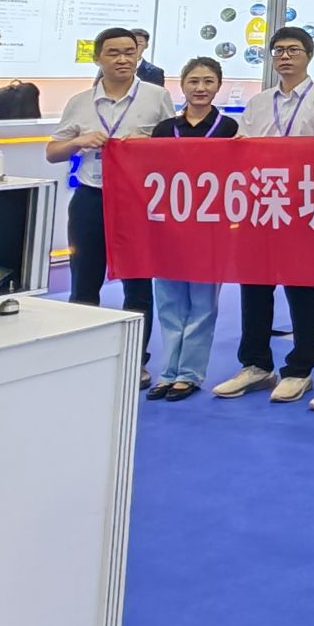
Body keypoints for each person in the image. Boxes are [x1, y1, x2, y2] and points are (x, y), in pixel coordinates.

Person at [49, 27, 174, 388]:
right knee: (84, 282)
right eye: (114, 53)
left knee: (138, 286)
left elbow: (172, 149)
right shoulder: (80, 102)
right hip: (91, 198)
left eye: (129, 52)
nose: (123, 59)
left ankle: (136, 360)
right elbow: (52, 152)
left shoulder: (157, 97)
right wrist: (79, 141)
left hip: (138, 202)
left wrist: (146, 146)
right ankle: (82, 357)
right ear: (98, 58)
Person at [215, 27, 314, 402]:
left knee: (300, 287)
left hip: (303, 205)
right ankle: (256, 365)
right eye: (278, 50)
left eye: (293, 50)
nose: (285, 56)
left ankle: (300, 368)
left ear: (308, 55)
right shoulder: (259, 103)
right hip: (259, 204)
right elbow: (242, 151)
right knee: (255, 286)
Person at [148, 57, 239, 401]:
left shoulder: (229, 128)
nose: (201, 88)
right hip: (167, 226)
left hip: (210, 227)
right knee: (169, 301)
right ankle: (167, 371)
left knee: (202, 304)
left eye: (208, 81)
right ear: (182, 85)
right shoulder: (163, 129)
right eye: (194, 81)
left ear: (218, 86)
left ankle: (189, 374)